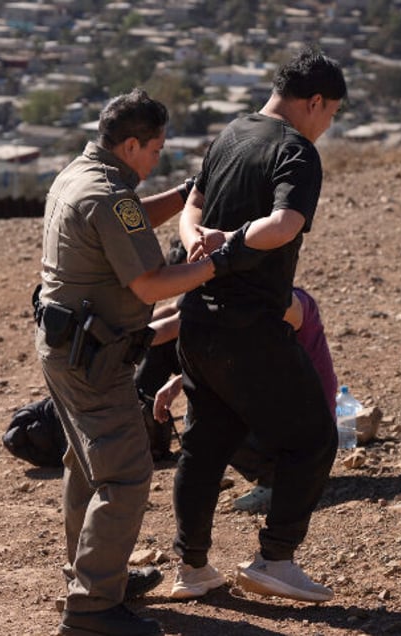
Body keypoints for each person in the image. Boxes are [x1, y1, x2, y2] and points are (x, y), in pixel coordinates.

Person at [36, 89, 227, 636]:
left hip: (67, 347)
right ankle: (93, 612)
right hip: (93, 357)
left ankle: (93, 577)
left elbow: (130, 221)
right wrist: (221, 263)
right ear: (131, 143)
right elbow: (149, 284)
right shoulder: (106, 194)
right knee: (124, 474)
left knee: (85, 464)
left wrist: (186, 194)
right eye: (154, 149)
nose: (156, 159)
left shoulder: (82, 174)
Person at [171, 48, 348, 604]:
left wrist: (196, 245)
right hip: (249, 326)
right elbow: (285, 223)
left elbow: (190, 205)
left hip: (197, 321)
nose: (328, 125)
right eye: (331, 113)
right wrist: (230, 248)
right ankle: (275, 559)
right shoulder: (297, 150)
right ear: (314, 101)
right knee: (315, 438)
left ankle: (192, 568)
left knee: (206, 444)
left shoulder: (231, 133)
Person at [151, 286, 337, 516]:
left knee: (209, 404)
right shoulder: (251, 295)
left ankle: (277, 481)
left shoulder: (279, 303)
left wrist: (115, 339)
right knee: (206, 390)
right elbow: (177, 313)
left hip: (306, 425)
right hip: (300, 418)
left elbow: (175, 325)